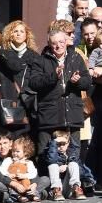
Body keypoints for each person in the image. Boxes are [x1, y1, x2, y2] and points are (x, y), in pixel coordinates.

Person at [29, 28, 92, 165]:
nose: (58, 46)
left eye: (61, 42)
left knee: (74, 154)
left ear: (66, 42)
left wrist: (78, 81)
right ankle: (45, 182)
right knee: (44, 152)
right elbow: (33, 83)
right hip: (49, 114)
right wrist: (53, 77)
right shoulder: (41, 60)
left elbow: (88, 82)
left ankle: (73, 184)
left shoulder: (76, 57)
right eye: (54, 43)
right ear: (49, 43)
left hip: (72, 113)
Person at [0, 135, 45, 203]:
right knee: (9, 188)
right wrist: (8, 174)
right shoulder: (8, 160)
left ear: (25, 152)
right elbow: (2, 169)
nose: (15, 153)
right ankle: (18, 196)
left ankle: (32, 194)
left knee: (45, 179)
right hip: (14, 182)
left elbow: (33, 173)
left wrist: (25, 176)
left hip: (25, 183)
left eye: (17, 151)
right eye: (13, 151)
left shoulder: (28, 162)